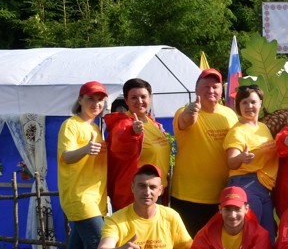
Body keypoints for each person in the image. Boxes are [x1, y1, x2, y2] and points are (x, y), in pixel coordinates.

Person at [52, 81, 109, 249]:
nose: (95, 104)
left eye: (100, 100)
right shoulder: (71, 125)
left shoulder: (95, 128)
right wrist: (85, 149)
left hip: (95, 199)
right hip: (80, 198)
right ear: (81, 99)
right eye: (91, 99)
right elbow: (66, 156)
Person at [171, 69, 239, 237]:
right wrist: (191, 112)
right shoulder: (184, 111)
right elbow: (185, 121)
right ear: (196, 90)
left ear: (221, 90)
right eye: (206, 86)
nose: (211, 91)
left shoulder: (230, 114)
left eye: (215, 87)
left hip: (221, 196)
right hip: (189, 197)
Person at [105, 78, 171, 211]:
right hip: (136, 196)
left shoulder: (153, 123)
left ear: (150, 98)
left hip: (156, 192)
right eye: (134, 97)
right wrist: (132, 133)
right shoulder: (124, 124)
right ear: (126, 101)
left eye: (143, 96)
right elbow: (119, 147)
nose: (139, 101)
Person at [224, 85, 278, 240]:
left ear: (260, 103)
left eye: (253, 102)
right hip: (246, 184)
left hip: (263, 187)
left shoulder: (263, 127)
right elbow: (231, 162)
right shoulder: (237, 131)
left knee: (268, 236)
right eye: (244, 103)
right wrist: (241, 158)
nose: (249, 107)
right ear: (238, 106)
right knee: (251, 236)